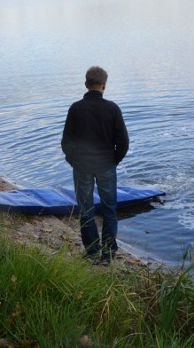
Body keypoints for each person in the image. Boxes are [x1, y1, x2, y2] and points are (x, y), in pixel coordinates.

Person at [61, 66, 129, 263]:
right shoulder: (112, 108)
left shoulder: (76, 108)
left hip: (82, 166)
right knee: (109, 208)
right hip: (105, 165)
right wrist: (113, 160)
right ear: (104, 86)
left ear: (86, 84)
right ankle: (108, 253)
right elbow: (123, 142)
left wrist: (73, 159)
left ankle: (91, 252)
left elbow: (66, 141)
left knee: (86, 209)